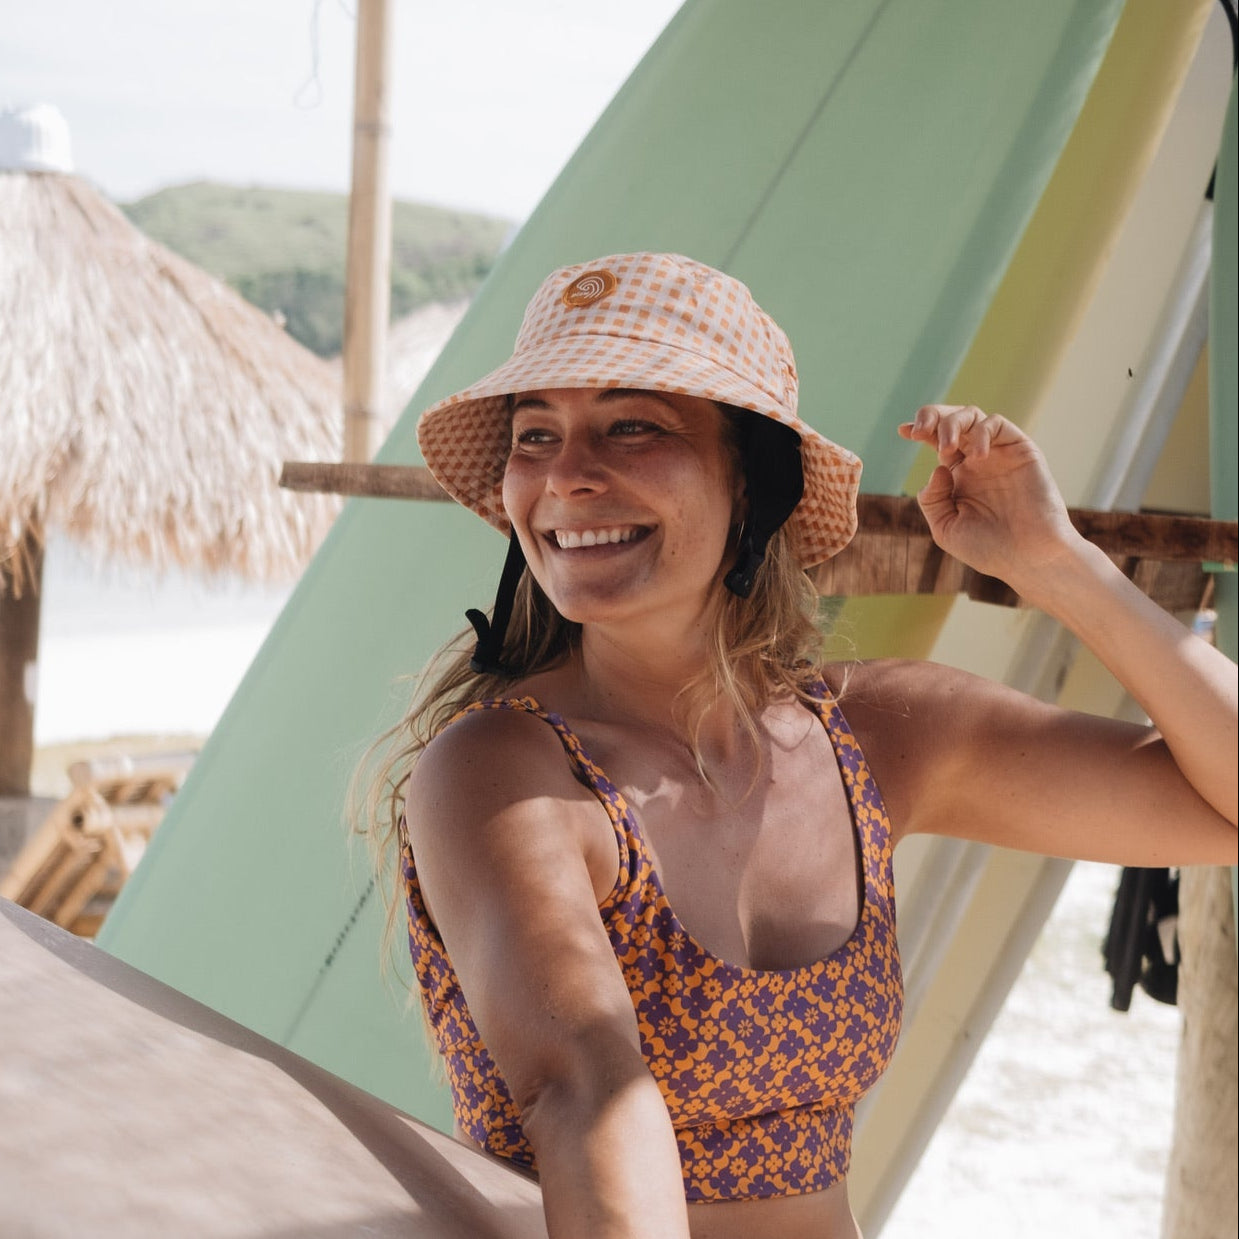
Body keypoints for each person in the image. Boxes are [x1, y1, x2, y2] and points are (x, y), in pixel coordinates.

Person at [362, 252, 1237, 1239]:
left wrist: (1058, 562)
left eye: (631, 425)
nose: (566, 475)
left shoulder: (877, 738)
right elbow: (586, 1097)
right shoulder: (502, 771)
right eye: (536, 435)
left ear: (753, 482)